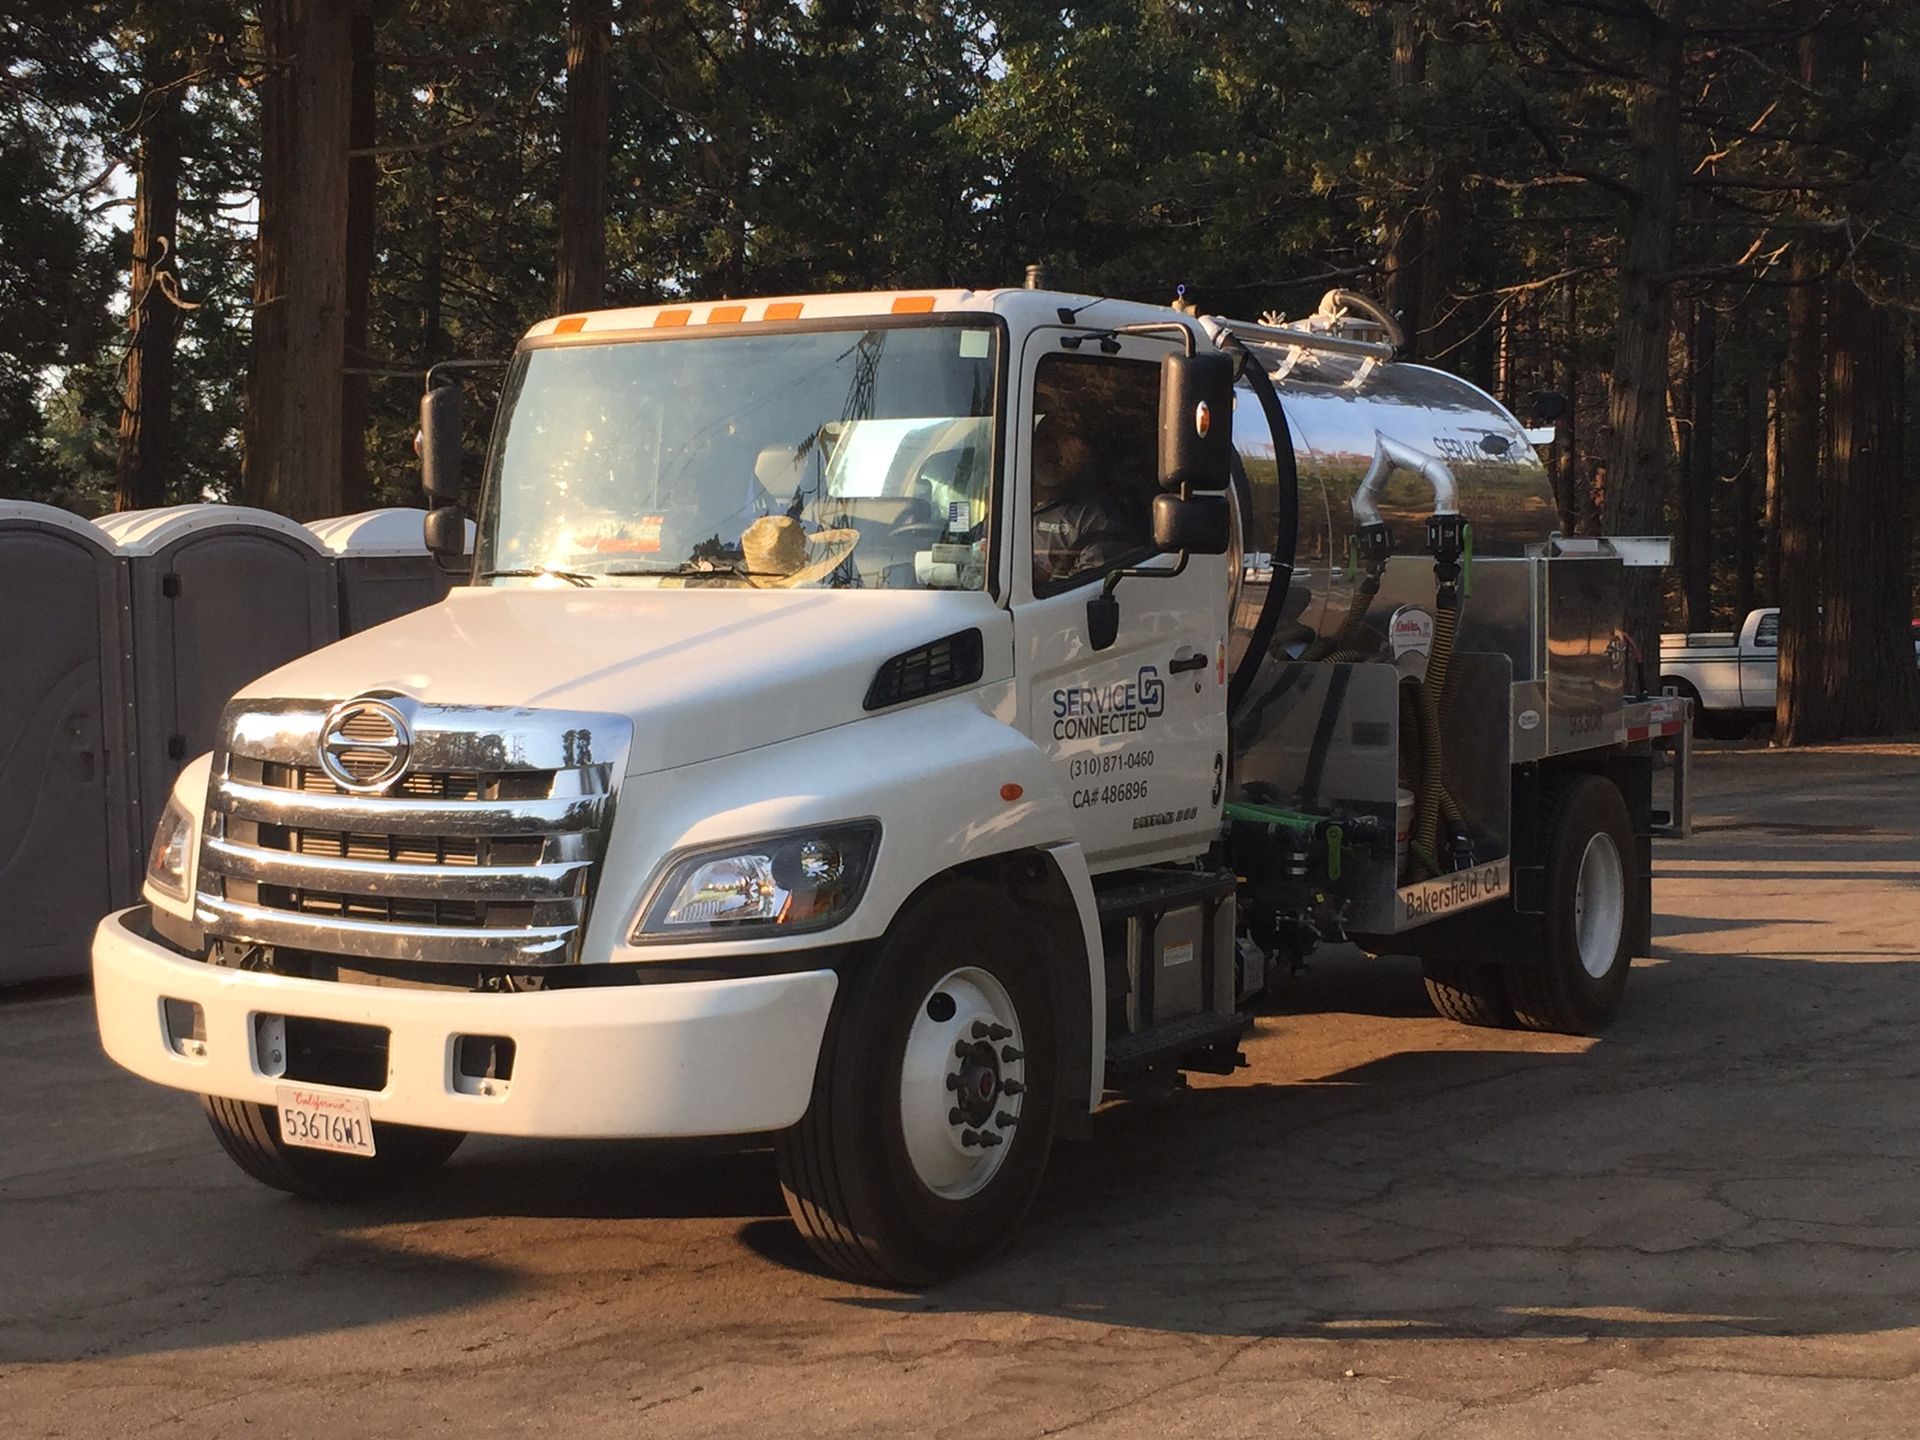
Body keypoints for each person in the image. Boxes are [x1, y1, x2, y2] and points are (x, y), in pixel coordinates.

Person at [1030, 414, 1143, 588]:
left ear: (1084, 452)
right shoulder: (1007, 507)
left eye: (1065, 440)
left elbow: (1093, 588)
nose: (1054, 451)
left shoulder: (1096, 517)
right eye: (1045, 440)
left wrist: (1041, 581)